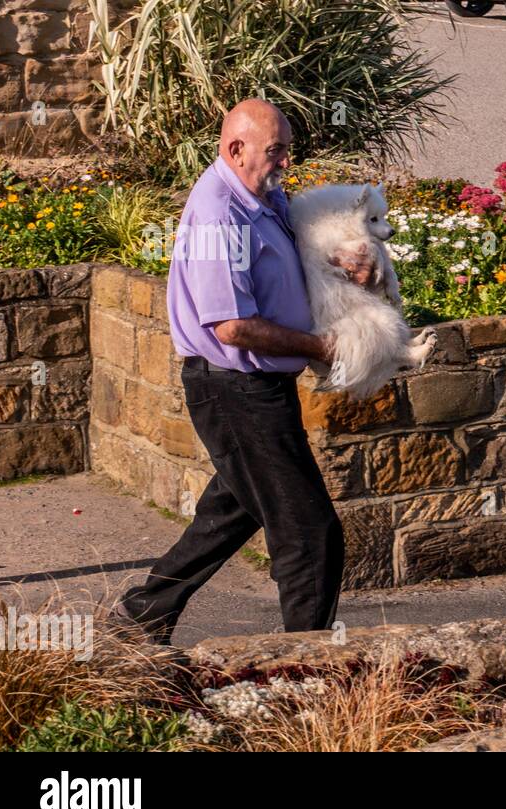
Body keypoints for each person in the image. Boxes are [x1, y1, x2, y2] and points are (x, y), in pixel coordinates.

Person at [113, 99, 376, 644]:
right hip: (235, 391)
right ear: (236, 149)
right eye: (276, 150)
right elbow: (231, 325)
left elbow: (282, 255)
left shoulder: (256, 192)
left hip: (254, 388)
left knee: (230, 512)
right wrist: (322, 347)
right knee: (309, 534)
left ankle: (138, 617)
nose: (285, 162)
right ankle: (304, 668)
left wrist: (341, 262)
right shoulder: (218, 215)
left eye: (285, 150)